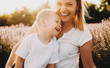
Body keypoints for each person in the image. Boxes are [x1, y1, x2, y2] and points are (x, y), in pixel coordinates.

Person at [5, 0, 96, 68]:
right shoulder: (44, 22)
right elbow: (21, 47)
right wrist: (8, 65)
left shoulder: (82, 33)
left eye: (69, 4)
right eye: (59, 3)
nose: (63, 9)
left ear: (77, 6)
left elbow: (89, 66)